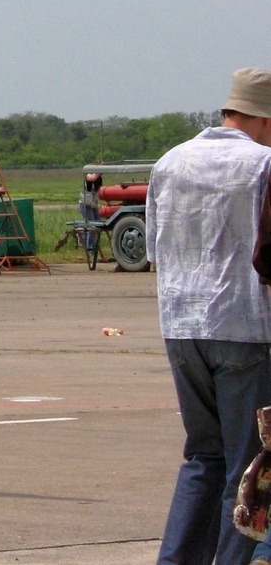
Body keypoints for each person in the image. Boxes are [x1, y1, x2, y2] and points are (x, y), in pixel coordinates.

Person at [149, 69, 271, 565]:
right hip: (244, 328)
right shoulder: (263, 164)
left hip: (181, 327)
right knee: (249, 470)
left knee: (203, 456)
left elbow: (158, 247)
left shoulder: (170, 162)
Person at [79, 170, 107, 271]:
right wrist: (99, 170)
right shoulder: (89, 174)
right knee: (92, 227)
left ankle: (90, 245)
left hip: (93, 204)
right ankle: (90, 249)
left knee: (98, 224)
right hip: (85, 205)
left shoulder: (98, 177)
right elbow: (92, 178)